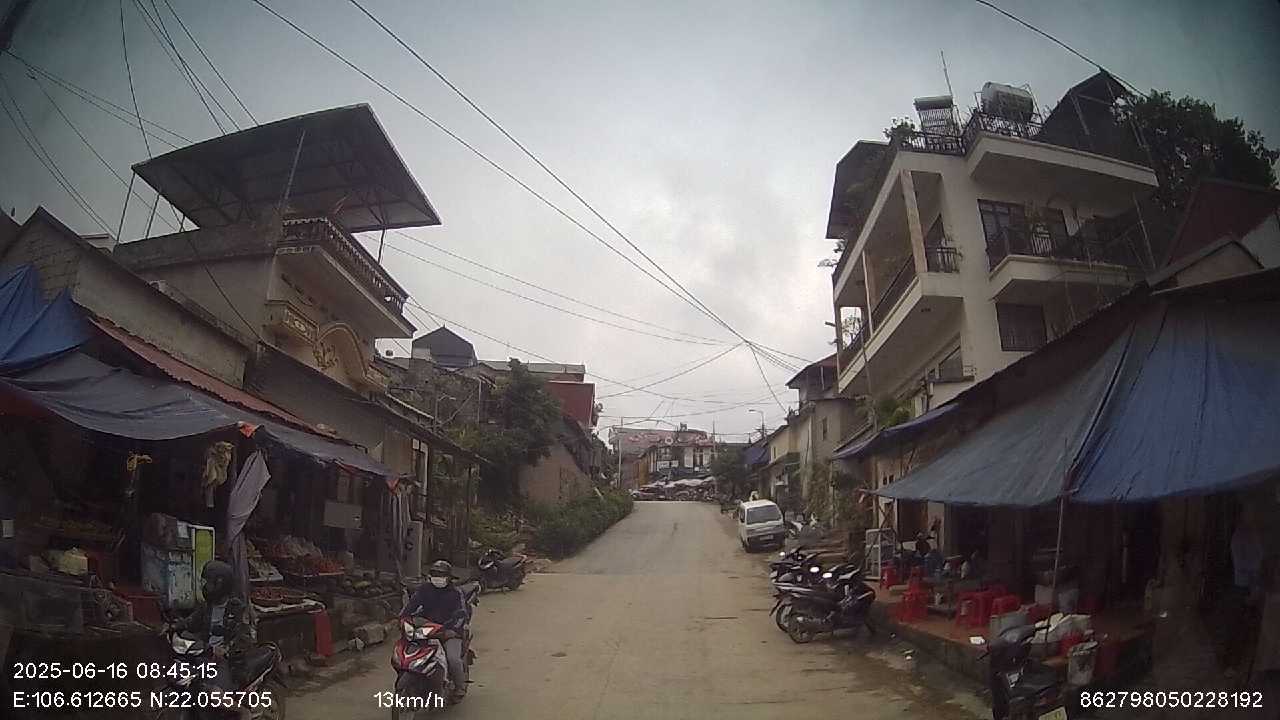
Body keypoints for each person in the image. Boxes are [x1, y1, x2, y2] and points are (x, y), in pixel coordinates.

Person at [173, 560, 252, 690]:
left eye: (209, 583)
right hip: (206, 655)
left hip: (228, 663)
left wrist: (226, 650)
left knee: (215, 693)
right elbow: (190, 623)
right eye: (205, 582)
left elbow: (245, 638)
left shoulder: (238, 609)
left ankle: (237, 705)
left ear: (220, 585)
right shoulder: (206, 607)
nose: (205, 587)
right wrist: (173, 626)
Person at [403, 560, 469, 700]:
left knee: (453, 659)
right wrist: (402, 619)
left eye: (441, 575)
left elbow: (462, 614)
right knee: (410, 653)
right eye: (434, 574)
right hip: (427, 630)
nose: (437, 578)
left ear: (449, 577)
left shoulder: (456, 593)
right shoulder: (424, 590)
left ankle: (460, 687)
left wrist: (453, 629)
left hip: (449, 632)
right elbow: (411, 606)